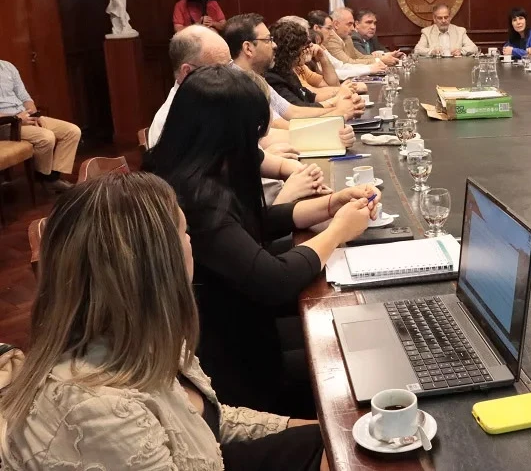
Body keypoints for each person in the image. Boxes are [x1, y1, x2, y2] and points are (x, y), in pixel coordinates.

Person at [0, 172, 327, 471]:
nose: (191, 243)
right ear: (157, 265)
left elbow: (207, 423)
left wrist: (316, 428)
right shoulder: (99, 410)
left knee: (336, 444)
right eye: (184, 233)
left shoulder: (147, 337)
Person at [145, 65, 380, 417]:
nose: (255, 146)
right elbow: (274, 280)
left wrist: (330, 205)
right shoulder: (197, 197)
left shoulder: (182, 166)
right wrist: (338, 231)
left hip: (235, 322)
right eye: (251, 135)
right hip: (233, 364)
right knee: (359, 355)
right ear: (227, 135)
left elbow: (244, 227)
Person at [224, 13, 361, 127]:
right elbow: (285, 127)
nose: (274, 45)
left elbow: (292, 113)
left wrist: (338, 109)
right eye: (267, 40)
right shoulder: (237, 85)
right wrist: (339, 113)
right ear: (248, 48)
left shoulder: (256, 78)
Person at [0, 59, 80, 192]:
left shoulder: (8, 66)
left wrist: (33, 115)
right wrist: (17, 119)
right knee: (46, 137)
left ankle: (53, 177)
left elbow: (25, 98)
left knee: (72, 131)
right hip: (6, 124)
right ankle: (45, 177)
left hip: (26, 116)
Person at [270, 20, 363, 108]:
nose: (310, 47)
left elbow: (317, 93)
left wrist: (323, 57)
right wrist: (339, 96)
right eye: (304, 45)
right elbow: (299, 109)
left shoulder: (293, 69)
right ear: (292, 49)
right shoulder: (274, 77)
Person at [301, 13, 385, 79]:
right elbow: (331, 73)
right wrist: (369, 69)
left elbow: (340, 66)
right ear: (316, 28)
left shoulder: (322, 45)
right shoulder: (310, 49)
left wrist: (371, 67)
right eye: (329, 28)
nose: (332, 33)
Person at [325, 7, 400, 66]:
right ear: (336, 25)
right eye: (349, 24)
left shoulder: (347, 38)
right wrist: (380, 60)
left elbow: (361, 57)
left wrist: (384, 56)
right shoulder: (331, 40)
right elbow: (348, 63)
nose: (353, 28)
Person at [414, 3, 479, 57]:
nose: (443, 21)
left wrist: (461, 51)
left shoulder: (460, 31)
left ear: (450, 17)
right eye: (440, 18)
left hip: (456, 68)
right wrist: (432, 51)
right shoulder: (426, 32)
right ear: (434, 19)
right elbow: (417, 50)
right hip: (434, 68)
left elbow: (474, 48)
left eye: (446, 17)